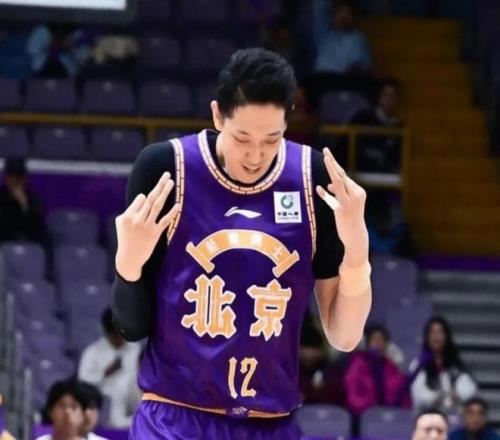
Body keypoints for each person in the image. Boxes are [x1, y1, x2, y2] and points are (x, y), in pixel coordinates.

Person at [111, 47, 371, 439]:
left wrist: (357, 251)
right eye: (243, 138)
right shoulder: (165, 169)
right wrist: (128, 265)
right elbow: (131, 327)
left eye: (272, 139)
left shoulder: (313, 178)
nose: (255, 155)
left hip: (270, 422)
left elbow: (345, 336)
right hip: (175, 416)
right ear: (218, 116)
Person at [77, 308, 141, 428]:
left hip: (132, 403)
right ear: (106, 332)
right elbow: (83, 381)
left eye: (121, 335)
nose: (118, 340)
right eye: (114, 336)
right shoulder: (93, 352)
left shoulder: (136, 349)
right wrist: (104, 373)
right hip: (105, 404)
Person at [411, 317, 477, 414]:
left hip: (454, 416)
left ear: (446, 336)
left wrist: (458, 395)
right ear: (427, 337)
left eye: (439, 333)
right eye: (432, 333)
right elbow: (417, 392)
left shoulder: (456, 363)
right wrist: (434, 397)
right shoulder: (418, 364)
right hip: (428, 416)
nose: (435, 337)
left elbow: (470, 388)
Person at [344, 324, 410, 417]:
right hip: (363, 415)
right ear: (368, 343)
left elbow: (401, 392)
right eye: (375, 340)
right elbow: (353, 394)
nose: (378, 344)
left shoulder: (390, 366)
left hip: (388, 414)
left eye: (381, 340)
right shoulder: (358, 364)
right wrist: (370, 410)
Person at [350, 79, 402, 173]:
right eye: (386, 95)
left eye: (392, 96)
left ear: (397, 99)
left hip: (385, 173)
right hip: (360, 170)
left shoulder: (398, 127)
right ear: (380, 97)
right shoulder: (363, 117)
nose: (389, 100)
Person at [0, 157, 45, 243]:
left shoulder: (33, 198)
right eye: (12, 177)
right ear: (5, 178)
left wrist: (24, 205)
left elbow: (36, 226)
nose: (16, 181)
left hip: (28, 243)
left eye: (20, 177)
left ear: (25, 178)